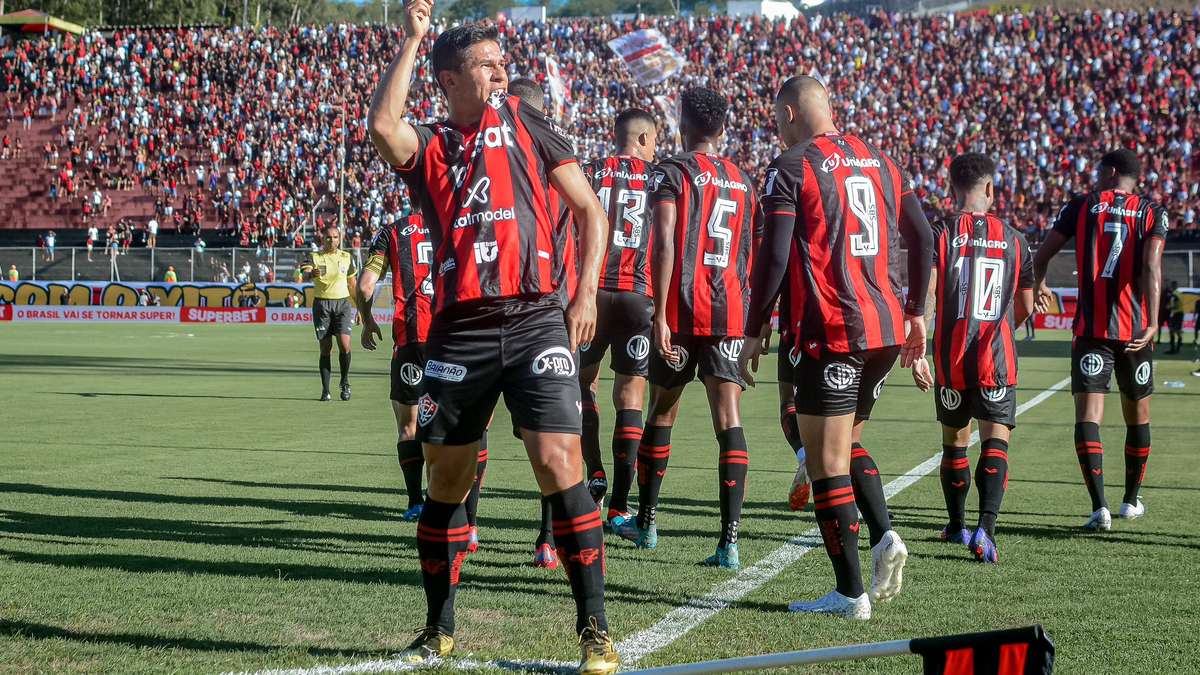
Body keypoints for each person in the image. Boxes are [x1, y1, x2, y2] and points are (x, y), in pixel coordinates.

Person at [367, 9, 617, 673]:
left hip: (537, 316)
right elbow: (382, 128)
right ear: (449, 79)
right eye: (485, 63)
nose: (500, 69)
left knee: (558, 459)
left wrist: (585, 294)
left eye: (501, 59)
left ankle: (595, 628)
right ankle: (438, 626)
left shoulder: (529, 124)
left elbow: (591, 209)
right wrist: (413, 38)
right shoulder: (433, 146)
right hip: (459, 330)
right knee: (446, 477)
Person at [741, 76, 933, 619]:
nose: (776, 126)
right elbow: (924, 237)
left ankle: (850, 595)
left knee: (826, 465)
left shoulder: (790, 165)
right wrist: (917, 310)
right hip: (883, 329)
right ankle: (881, 539)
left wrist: (755, 328)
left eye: (776, 117)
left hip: (831, 328)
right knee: (844, 449)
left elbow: (775, 257)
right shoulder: (881, 160)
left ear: (788, 112)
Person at [612, 87, 758, 575]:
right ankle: (730, 543)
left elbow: (666, 242)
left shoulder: (672, 171)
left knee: (663, 411)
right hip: (729, 312)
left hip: (683, 310)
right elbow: (749, 254)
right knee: (728, 419)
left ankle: (647, 523)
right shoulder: (743, 180)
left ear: (681, 124)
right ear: (722, 128)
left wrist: (661, 314)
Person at [910, 153, 1035, 564]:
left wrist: (922, 347)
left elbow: (927, 293)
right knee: (996, 442)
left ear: (951, 189)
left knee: (955, 445)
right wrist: (999, 327)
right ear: (990, 189)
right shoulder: (1016, 240)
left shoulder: (940, 232)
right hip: (996, 359)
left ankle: (957, 524)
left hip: (951, 359)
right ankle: (986, 530)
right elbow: (1025, 307)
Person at [1033, 149, 1167, 530]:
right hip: (1136, 331)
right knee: (1137, 415)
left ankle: (1099, 507)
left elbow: (1040, 255)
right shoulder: (1152, 211)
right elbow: (1151, 265)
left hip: (1092, 331)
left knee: (1089, 417)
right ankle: (1130, 500)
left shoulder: (1082, 205)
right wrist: (1153, 322)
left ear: (1109, 172)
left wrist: (1040, 282)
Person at [359, 212, 490, 546]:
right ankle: (465, 518)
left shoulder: (391, 232)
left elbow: (365, 285)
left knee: (408, 425)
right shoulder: (458, 222)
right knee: (468, 425)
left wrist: (367, 320)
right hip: (454, 335)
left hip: (412, 340)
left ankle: (416, 502)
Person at [575, 108, 659, 534]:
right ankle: (620, 510)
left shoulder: (589, 172)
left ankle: (595, 472)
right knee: (631, 399)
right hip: (637, 296)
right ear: (643, 139)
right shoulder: (660, 179)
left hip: (592, 293)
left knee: (582, 384)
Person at [300, 222, 359, 402]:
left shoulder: (347, 257)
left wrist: (361, 310)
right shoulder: (314, 256)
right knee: (326, 348)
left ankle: (345, 382)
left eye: (335, 237)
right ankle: (325, 390)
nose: (331, 240)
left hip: (343, 305)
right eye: (328, 237)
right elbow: (305, 273)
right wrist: (312, 274)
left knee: (345, 345)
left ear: (339, 239)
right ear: (322, 238)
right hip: (322, 305)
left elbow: (352, 285)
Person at [1166, 281, 1184, 353]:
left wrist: (1170, 307)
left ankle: (1174, 349)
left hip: (1177, 314)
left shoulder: (1174, 294)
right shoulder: (1179, 293)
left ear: (1173, 286)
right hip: (1179, 314)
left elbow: (1175, 304)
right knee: (1176, 331)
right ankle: (1176, 349)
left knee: (1173, 331)